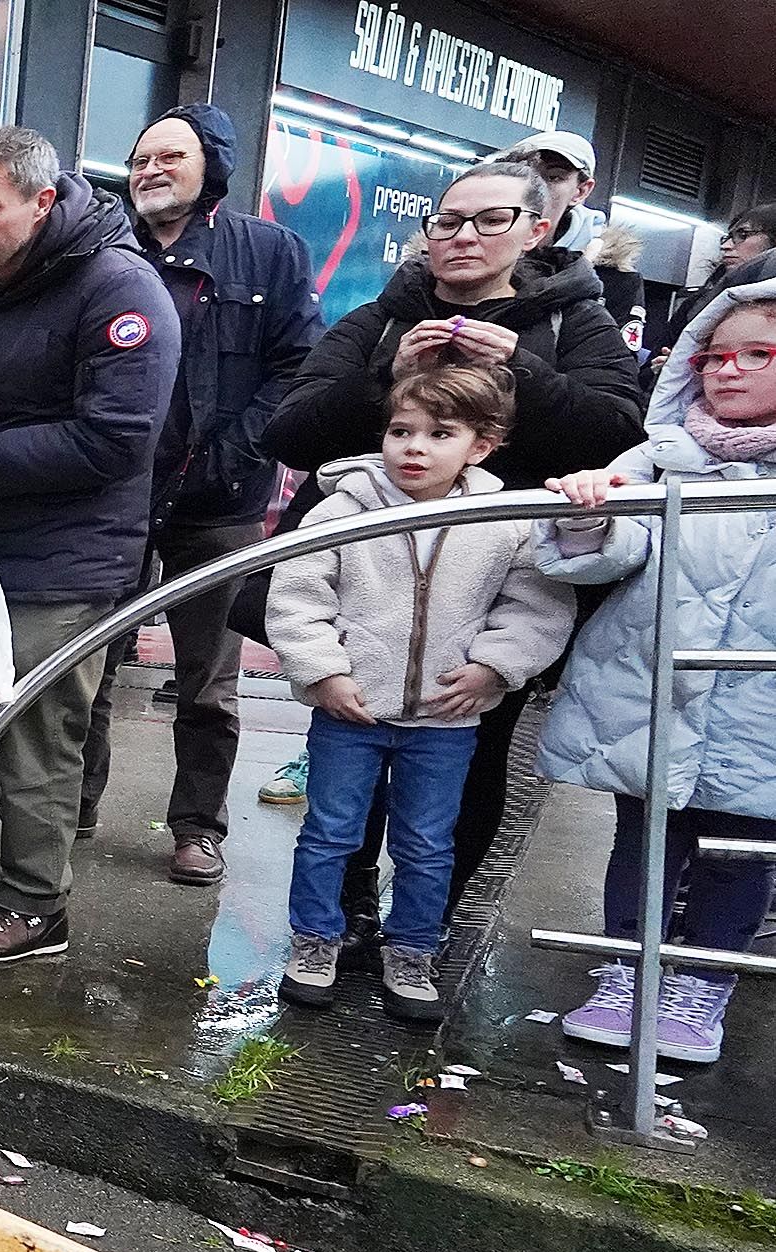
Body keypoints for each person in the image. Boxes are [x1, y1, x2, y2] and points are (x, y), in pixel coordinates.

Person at [264, 159, 646, 945]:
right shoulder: (381, 317)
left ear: (536, 229)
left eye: (489, 219)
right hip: (365, 586)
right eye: (446, 221)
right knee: (345, 777)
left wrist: (523, 373)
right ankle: (340, 917)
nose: (462, 235)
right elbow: (289, 433)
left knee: (469, 763)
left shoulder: (576, 317)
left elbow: (620, 436)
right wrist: (386, 376)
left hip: (493, 586)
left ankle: (422, 929)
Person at [0, 125, 180, 963]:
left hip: (65, 559)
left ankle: (35, 902)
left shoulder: (117, 287)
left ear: (44, 200)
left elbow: (115, 439)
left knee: (32, 735)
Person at [268, 365, 572, 1021]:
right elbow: (296, 596)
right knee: (328, 832)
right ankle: (314, 940)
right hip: (348, 709)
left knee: (428, 842)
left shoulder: (501, 520)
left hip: (443, 718)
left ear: (480, 445)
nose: (414, 446)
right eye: (401, 430)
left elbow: (534, 607)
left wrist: (493, 667)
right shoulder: (340, 509)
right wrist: (323, 671)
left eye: (440, 433)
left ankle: (410, 947)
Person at [77, 104, 321, 886]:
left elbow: (296, 367)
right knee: (86, 668)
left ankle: (195, 827)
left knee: (208, 682)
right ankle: (72, 807)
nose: (149, 169)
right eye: (140, 157)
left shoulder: (269, 251)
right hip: (113, 497)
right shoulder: (101, 250)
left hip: (219, 500)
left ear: (210, 165)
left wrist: (236, 451)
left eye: (169, 156)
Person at [535, 274, 776, 1064]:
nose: (727, 369)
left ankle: (703, 980)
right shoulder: (662, 456)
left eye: (758, 354)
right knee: (645, 837)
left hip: (758, 707)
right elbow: (617, 550)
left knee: (741, 848)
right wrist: (587, 515)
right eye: (713, 353)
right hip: (657, 688)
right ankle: (626, 969)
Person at [491, 130, 644, 327]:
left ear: (580, 191)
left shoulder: (614, 278)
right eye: (524, 175)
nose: (535, 189)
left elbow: (614, 357)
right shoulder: (471, 252)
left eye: (553, 177)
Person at [645, 202, 776, 374]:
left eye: (743, 235)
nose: (726, 246)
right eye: (726, 237)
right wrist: (671, 370)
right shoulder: (696, 304)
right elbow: (646, 372)